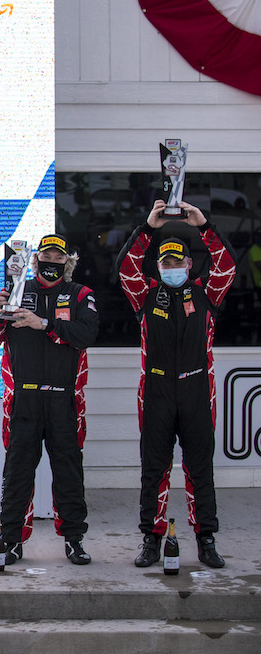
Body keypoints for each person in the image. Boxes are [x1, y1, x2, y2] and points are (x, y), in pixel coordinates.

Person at [118, 200, 235, 569]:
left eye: (177, 262)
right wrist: (147, 228)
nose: (171, 267)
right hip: (156, 391)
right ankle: (151, 540)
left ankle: (206, 539)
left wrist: (203, 225)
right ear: (158, 266)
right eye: (164, 262)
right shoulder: (146, 294)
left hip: (197, 389)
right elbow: (125, 270)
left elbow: (228, 265)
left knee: (200, 469)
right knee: (154, 468)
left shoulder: (206, 293)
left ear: (189, 264)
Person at [0, 234, 99, 566]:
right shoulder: (18, 292)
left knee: (69, 473)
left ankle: (74, 540)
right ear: (34, 261)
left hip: (63, 399)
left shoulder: (80, 295)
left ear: (67, 261)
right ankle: (13, 540)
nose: (51, 260)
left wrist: (44, 324)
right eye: (45, 255)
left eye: (58, 256)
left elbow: (87, 334)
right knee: (18, 473)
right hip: (26, 400)